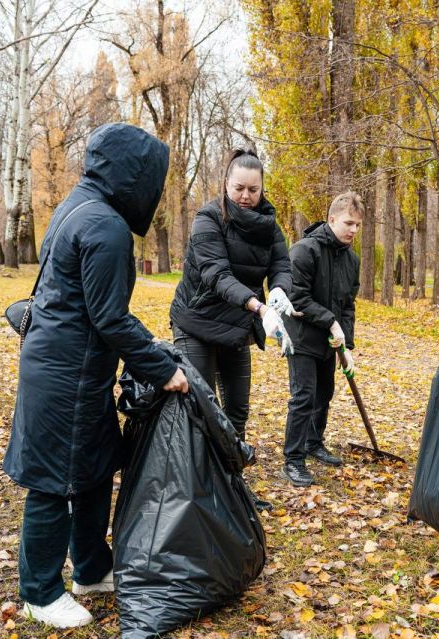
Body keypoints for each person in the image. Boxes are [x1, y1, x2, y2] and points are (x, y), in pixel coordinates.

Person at [3, 123, 189, 629]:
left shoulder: (79, 207)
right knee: (52, 481)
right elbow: (108, 318)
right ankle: (40, 592)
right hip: (66, 375)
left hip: (73, 370)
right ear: (133, 176)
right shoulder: (103, 226)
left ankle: (90, 567)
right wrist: (162, 368)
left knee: (92, 471)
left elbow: (90, 306)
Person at [169, 148, 294, 511]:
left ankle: (231, 488)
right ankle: (199, 496)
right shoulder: (207, 219)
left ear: (262, 189)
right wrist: (258, 306)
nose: (245, 196)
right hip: (196, 323)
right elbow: (216, 276)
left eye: (253, 190)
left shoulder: (269, 224)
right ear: (226, 184)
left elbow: (281, 264)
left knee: (236, 411)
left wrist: (281, 291)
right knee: (201, 407)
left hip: (236, 327)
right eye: (239, 188)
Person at [280, 192, 363, 486]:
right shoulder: (304, 251)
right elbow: (297, 297)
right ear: (331, 219)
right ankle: (293, 459)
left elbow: (348, 304)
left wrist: (347, 344)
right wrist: (330, 322)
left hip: (330, 343)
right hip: (302, 338)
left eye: (357, 225)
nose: (353, 230)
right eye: (348, 223)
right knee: (303, 397)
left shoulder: (352, 259)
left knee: (323, 394)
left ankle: (314, 443)